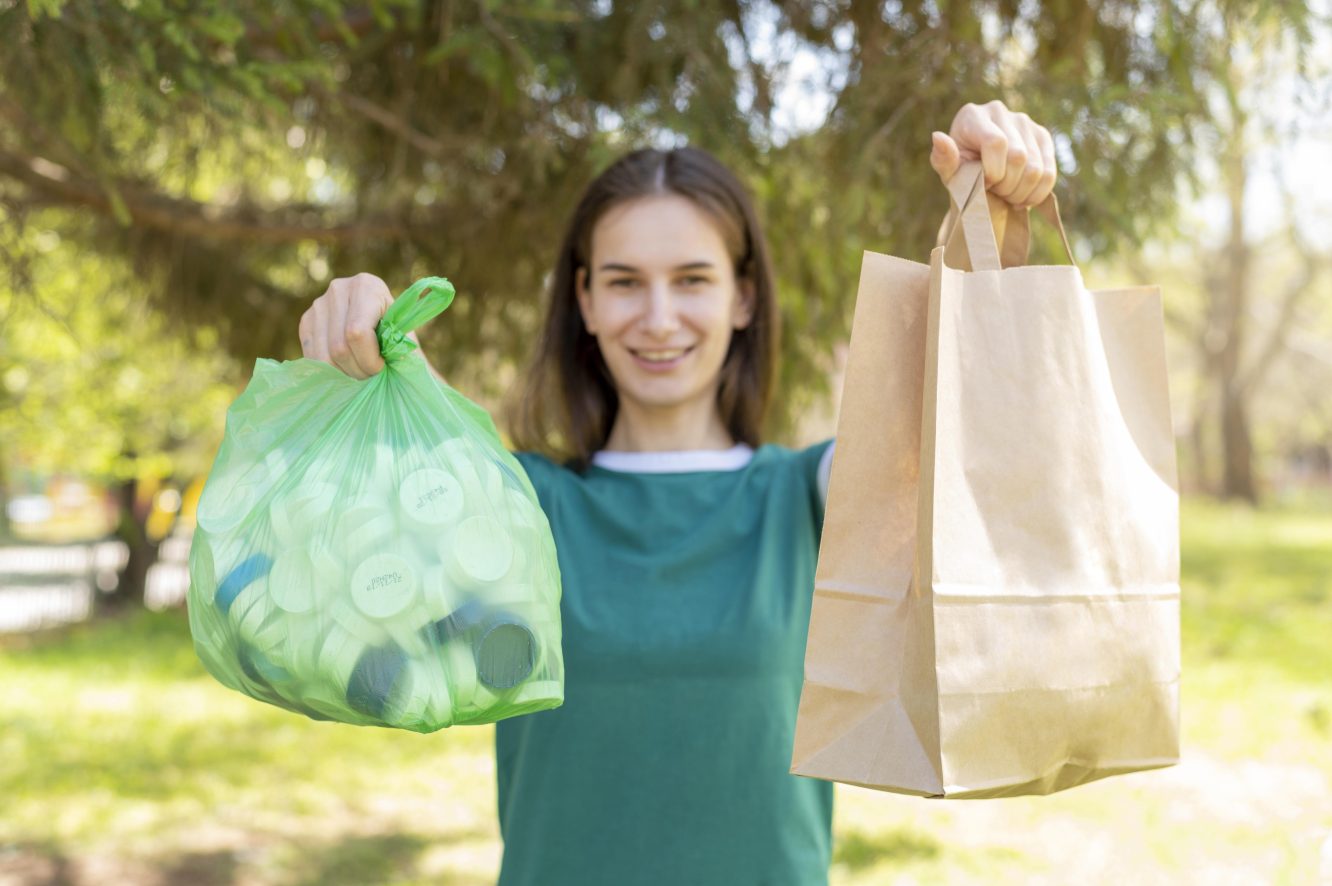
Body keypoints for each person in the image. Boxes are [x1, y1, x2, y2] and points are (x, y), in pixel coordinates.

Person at [299, 100, 1057, 885]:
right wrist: (360, 337)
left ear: (744, 297)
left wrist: (994, 220)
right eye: (625, 282)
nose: (658, 319)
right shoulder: (522, 504)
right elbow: (351, 532)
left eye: (692, 279)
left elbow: (966, 420)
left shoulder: (806, 497)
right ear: (585, 301)